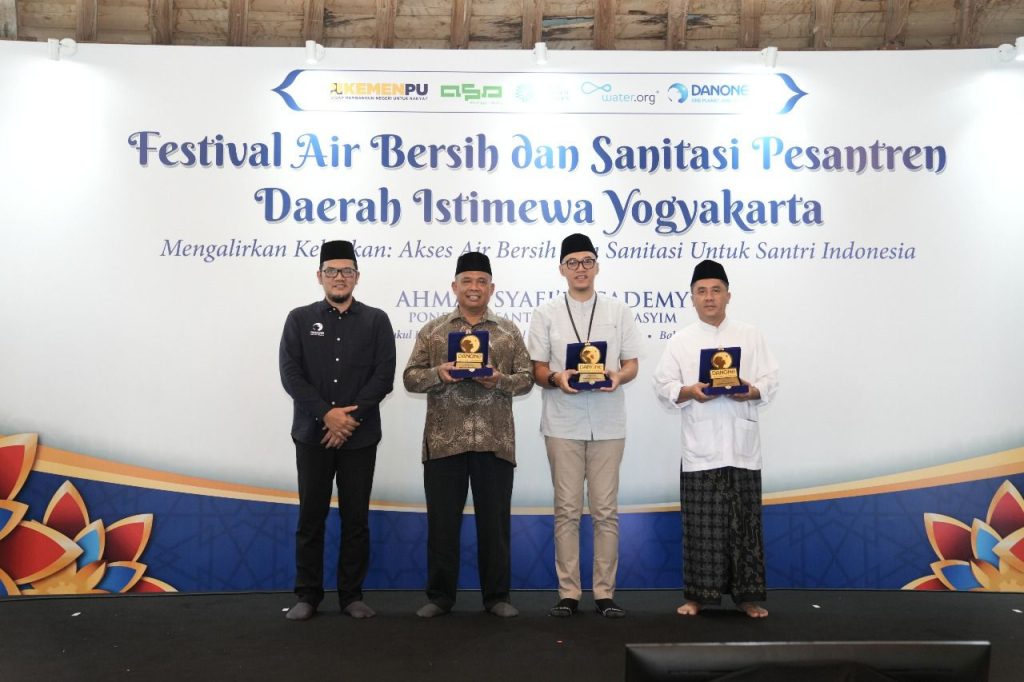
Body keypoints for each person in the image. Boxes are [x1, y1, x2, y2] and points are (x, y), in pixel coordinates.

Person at [403, 252, 534, 618]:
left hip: (494, 441)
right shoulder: (434, 331)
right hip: (444, 442)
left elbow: (526, 379)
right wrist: (438, 374)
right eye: (467, 281)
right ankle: (440, 597)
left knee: (495, 525)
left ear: (491, 288)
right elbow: (410, 377)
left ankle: (497, 597)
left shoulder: (508, 331)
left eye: (481, 281)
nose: (474, 287)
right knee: (442, 525)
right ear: (454, 286)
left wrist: (499, 380)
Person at [651, 259, 779, 618]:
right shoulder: (681, 340)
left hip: (742, 448)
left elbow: (771, 379)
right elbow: (662, 385)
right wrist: (689, 391)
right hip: (700, 449)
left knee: (745, 527)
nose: (709, 297)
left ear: (728, 295)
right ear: (692, 298)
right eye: (702, 291)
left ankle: (747, 597)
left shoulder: (750, 335)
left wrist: (751, 390)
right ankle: (697, 596)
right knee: (701, 528)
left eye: (716, 290)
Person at [279, 240, 396, 620]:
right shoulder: (299, 319)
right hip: (311, 435)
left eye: (346, 271)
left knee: (355, 519)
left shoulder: (376, 320)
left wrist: (348, 421)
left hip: (360, 438)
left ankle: (351, 596)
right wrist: (326, 415)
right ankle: (307, 595)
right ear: (320, 276)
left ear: (357, 276)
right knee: (311, 518)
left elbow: (383, 376)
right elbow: (291, 375)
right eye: (332, 271)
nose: (339, 277)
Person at [527, 233, 641, 618]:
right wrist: (557, 378)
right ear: (561, 269)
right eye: (572, 262)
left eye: (587, 261)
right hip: (563, 422)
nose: (580, 268)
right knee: (567, 510)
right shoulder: (545, 313)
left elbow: (631, 364)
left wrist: (618, 377)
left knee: (606, 510)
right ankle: (569, 593)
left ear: (597, 266)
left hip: (608, 423)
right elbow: (538, 369)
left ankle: (605, 593)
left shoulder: (618, 311)